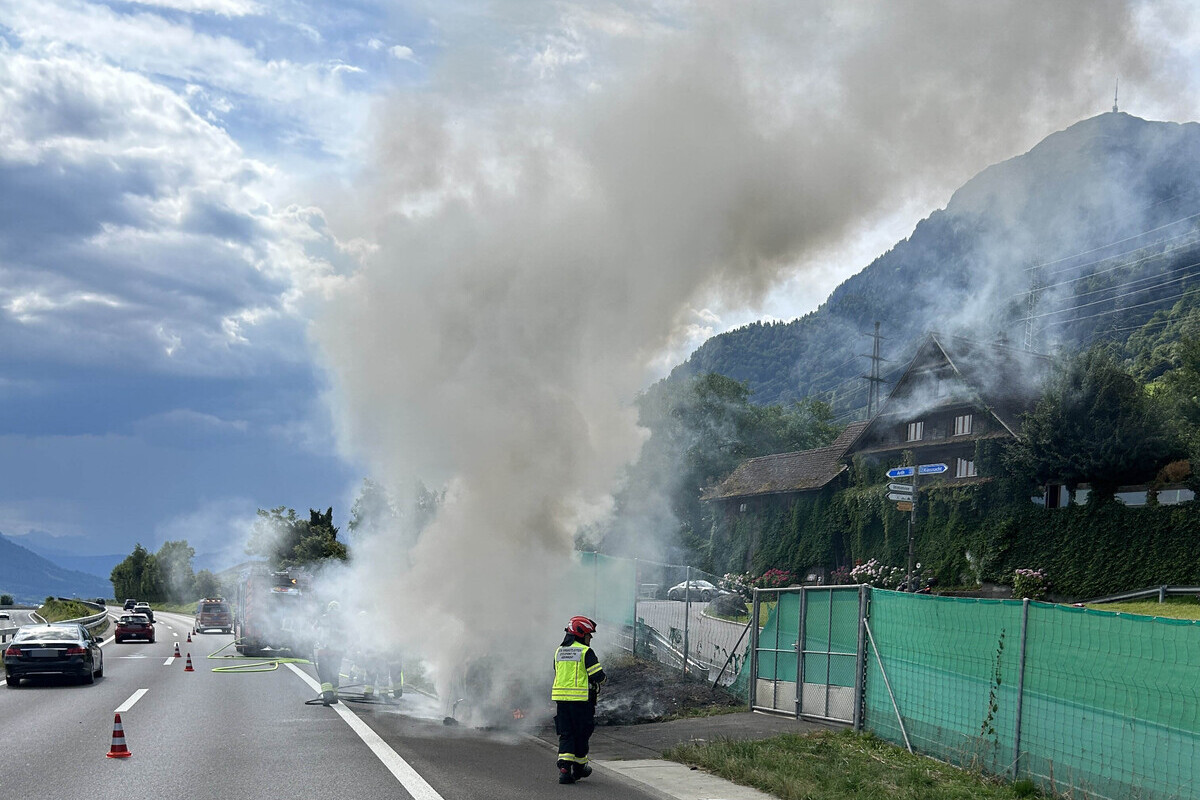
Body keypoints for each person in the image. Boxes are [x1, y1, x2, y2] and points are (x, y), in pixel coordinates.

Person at [551, 615, 605, 784]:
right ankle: (580, 767)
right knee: (581, 734)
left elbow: (557, 671)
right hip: (581, 702)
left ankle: (565, 769)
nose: (590, 639)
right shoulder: (585, 652)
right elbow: (598, 676)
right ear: (581, 634)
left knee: (566, 734)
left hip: (562, 701)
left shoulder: (559, 651)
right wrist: (602, 679)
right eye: (589, 635)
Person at [313, 600, 344, 705]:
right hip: (337, 652)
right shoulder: (342, 621)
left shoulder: (322, 619)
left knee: (325, 674)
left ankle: (327, 696)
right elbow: (348, 636)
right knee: (334, 673)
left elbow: (314, 631)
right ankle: (334, 696)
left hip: (323, 651)